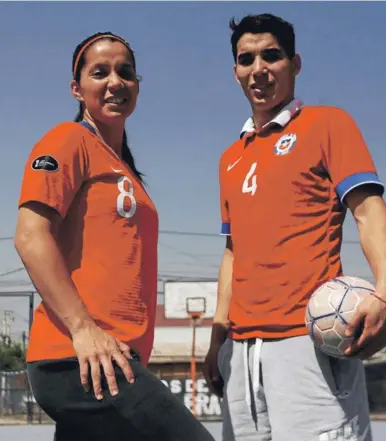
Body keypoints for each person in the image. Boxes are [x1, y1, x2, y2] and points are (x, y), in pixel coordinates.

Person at [203, 13, 386, 441]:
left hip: (308, 343)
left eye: (271, 56)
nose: (259, 69)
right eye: (246, 59)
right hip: (241, 353)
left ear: (295, 64)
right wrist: (218, 339)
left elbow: (369, 212)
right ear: (235, 71)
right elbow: (233, 252)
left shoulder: (328, 124)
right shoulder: (229, 158)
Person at [14, 32, 215, 441]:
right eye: (100, 72)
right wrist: (83, 328)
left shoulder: (124, 170)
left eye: (125, 72)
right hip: (77, 357)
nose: (115, 82)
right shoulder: (68, 141)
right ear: (77, 88)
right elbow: (31, 236)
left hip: (112, 358)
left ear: (138, 85)